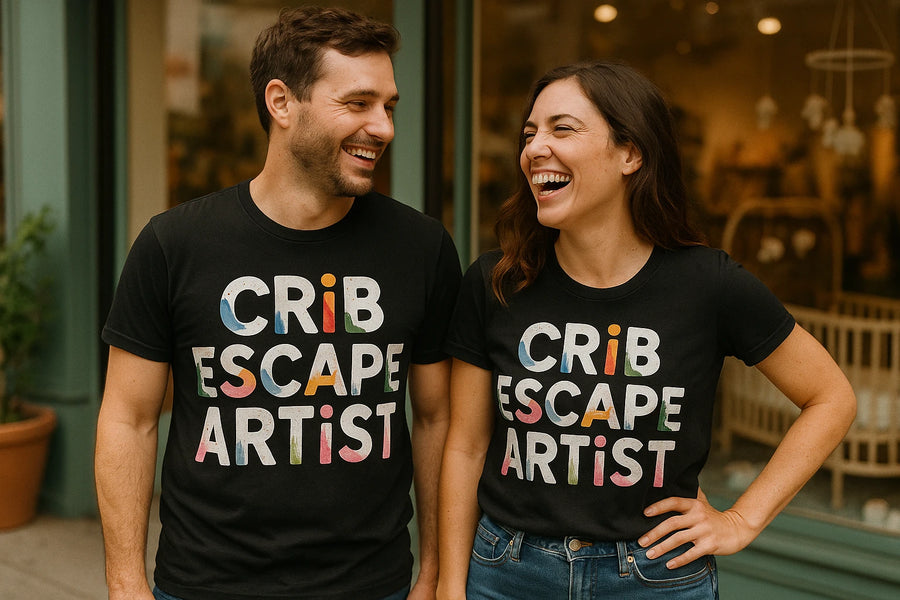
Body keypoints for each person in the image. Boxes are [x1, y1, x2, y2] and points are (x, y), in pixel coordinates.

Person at [436, 60, 856, 600]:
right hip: (508, 571)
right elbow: (466, 447)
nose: (535, 147)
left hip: (654, 578)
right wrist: (450, 585)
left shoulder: (709, 284)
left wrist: (742, 519)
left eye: (562, 128)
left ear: (631, 153)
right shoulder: (496, 282)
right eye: (530, 133)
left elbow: (831, 397)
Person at [95, 7, 461, 600]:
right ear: (282, 102)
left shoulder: (422, 249)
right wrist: (125, 583)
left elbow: (437, 418)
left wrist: (436, 571)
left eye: (389, 106)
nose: (384, 127)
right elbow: (127, 419)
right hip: (205, 585)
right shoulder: (175, 244)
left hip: (370, 585)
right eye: (358, 103)